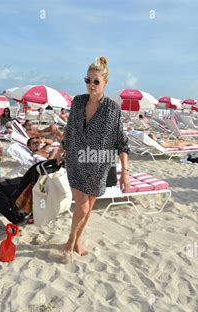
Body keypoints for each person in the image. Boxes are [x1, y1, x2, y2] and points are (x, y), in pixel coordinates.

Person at [55, 56, 130, 261]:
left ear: (105, 83)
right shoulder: (78, 102)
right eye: (88, 80)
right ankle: (71, 240)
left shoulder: (113, 109)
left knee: (88, 209)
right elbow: (69, 130)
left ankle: (78, 239)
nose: (91, 85)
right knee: (83, 206)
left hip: (99, 167)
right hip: (76, 162)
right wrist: (60, 151)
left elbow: (122, 142)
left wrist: (125, 172)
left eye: (96, 81)